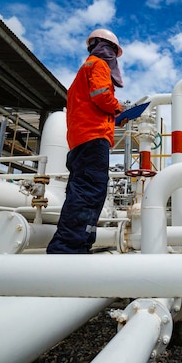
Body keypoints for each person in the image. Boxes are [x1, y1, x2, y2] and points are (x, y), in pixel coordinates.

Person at [47, 28, 125, 254]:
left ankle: (75, 243)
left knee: (81, 191)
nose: (111, 56)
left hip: (81, 140)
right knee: (90, 191)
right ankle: (68, 249)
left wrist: (114, 118)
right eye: (111, 49)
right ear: (104, 48)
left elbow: (91, 105)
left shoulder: (81, 76)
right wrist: (119, 108)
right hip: (93, 138)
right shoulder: (98, 65)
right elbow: (101, 95)